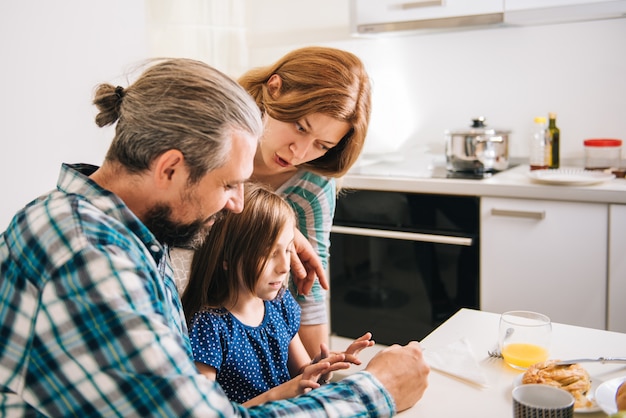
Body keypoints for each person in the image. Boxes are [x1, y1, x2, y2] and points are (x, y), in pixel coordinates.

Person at [0, 57, 429, 416]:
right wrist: (379, 388)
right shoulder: (93, 260)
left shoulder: (107, 227)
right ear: (170, 168)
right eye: (229, 185)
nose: (237, 206)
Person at [171, 46, 372, 357]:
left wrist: (320, 371)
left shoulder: (313, 184)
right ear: (274, 89)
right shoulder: (213, 132)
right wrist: (281, 226)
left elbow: (309, 288)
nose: (299, 152)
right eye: (300, 127)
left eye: (322, 144)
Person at [182, 183, 374, 405]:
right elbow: (206, 412)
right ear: (227, 258)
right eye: (269, 253)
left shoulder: (280, 302)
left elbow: (300, 374)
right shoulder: (208, 325)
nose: (284, 267)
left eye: (287, 250)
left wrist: (321, 368)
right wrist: (280, 393)